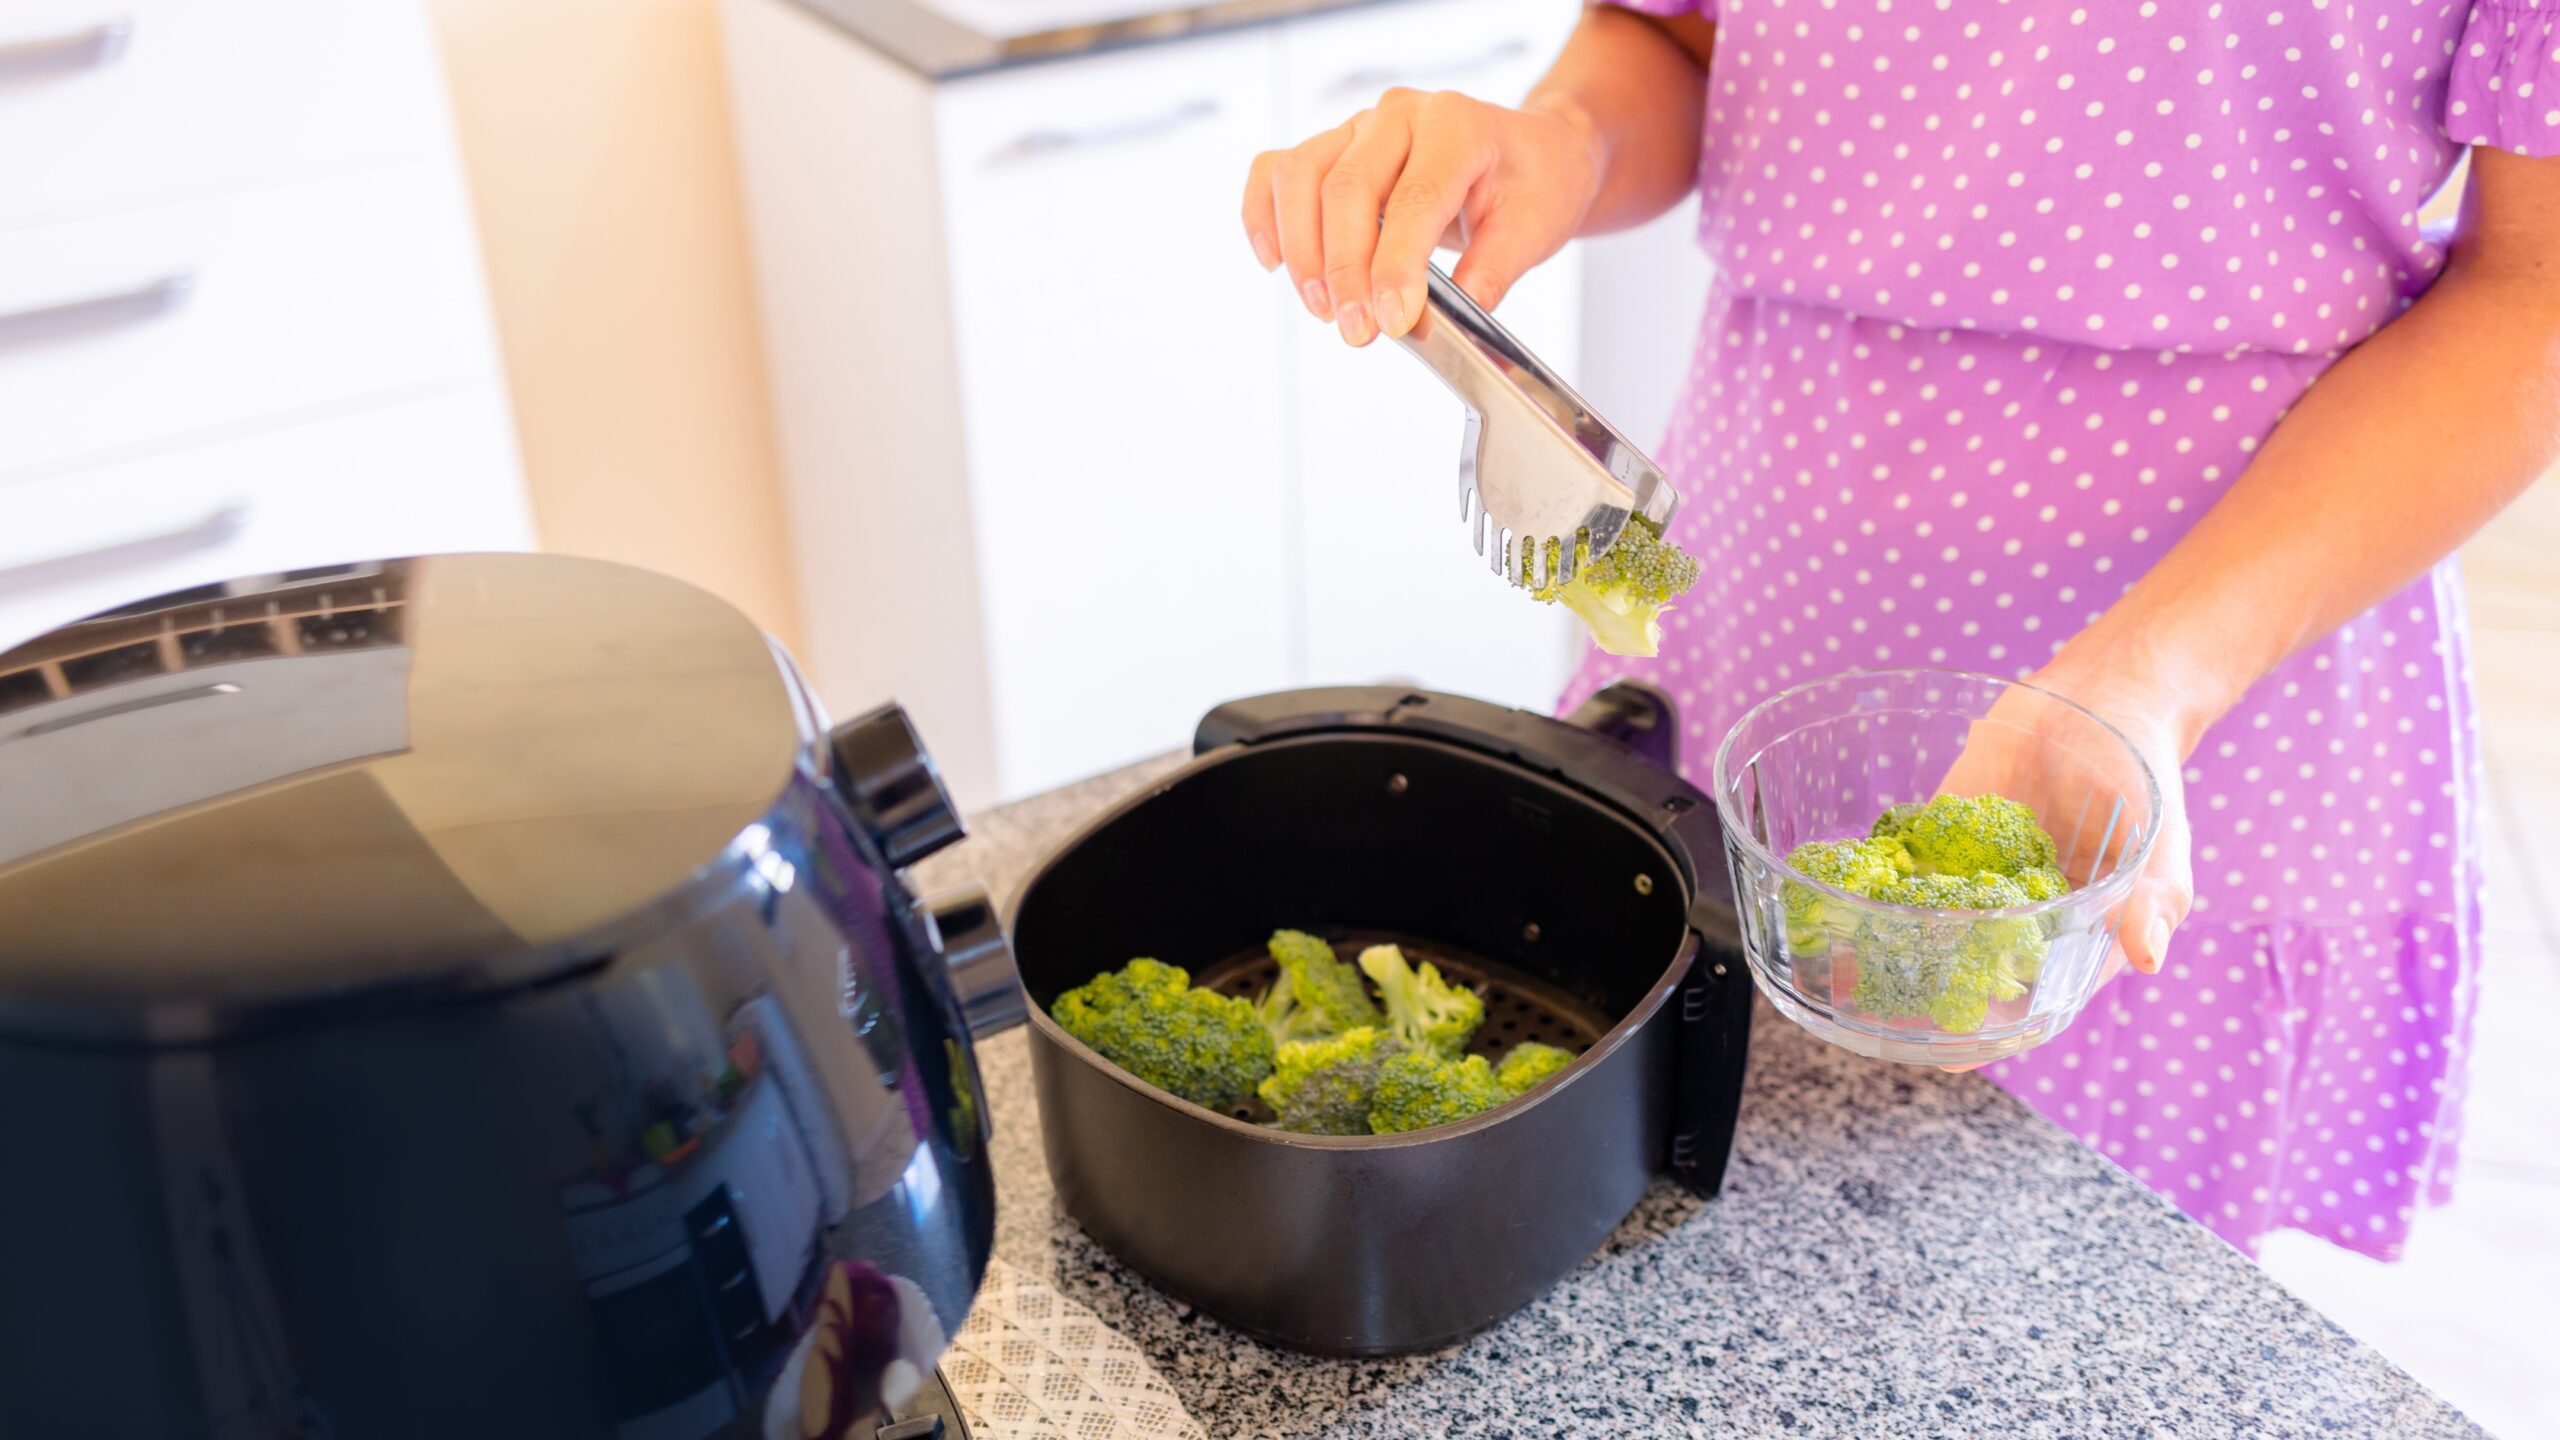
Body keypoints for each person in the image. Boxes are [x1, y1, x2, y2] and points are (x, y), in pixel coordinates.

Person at [1241, 0, 2559, 1259]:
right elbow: (1676, 37)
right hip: (1762, 607)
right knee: (1709, 1248)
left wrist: (2149, 683)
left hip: (2211, 680)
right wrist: (1560, 141)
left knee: (2104, 1325)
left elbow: (2533, 294)